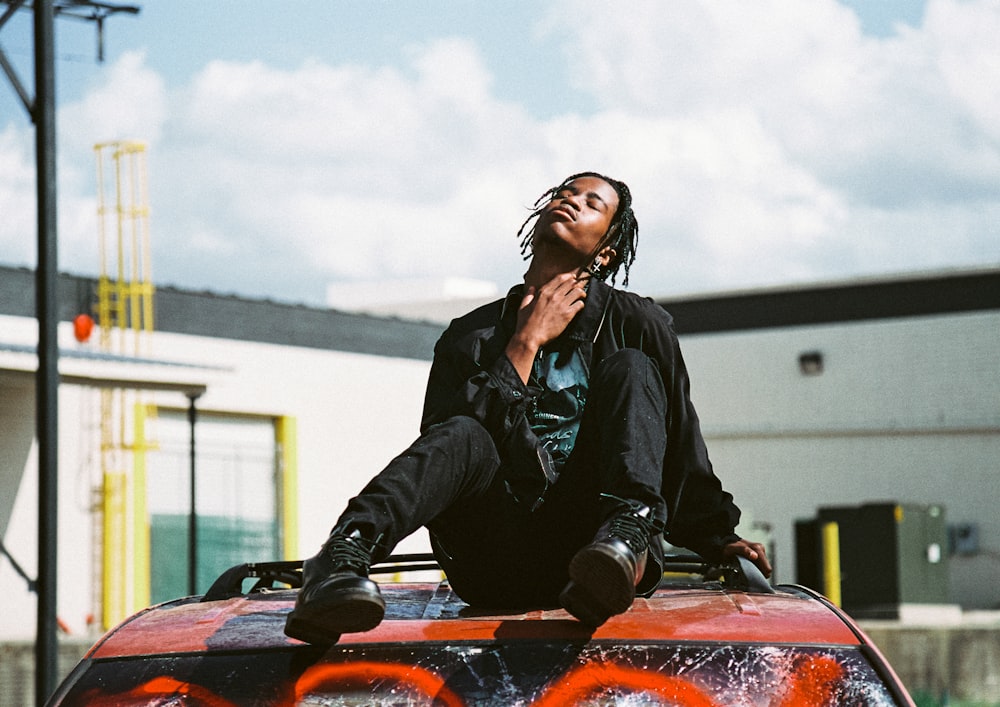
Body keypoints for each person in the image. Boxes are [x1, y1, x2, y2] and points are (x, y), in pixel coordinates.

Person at [284, 171, 771, 645]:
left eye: (592, 202)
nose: (571, 199)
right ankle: (343, 555)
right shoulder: (469, 335)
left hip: (600, 553)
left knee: (631, 368)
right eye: (565, 191)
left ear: (605, 252)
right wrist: (525, 341)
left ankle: (627, 535)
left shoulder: (636, 323)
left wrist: (717, 538)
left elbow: (678, 439)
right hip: (493, 557)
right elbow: (444, 459)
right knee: (462, 431)